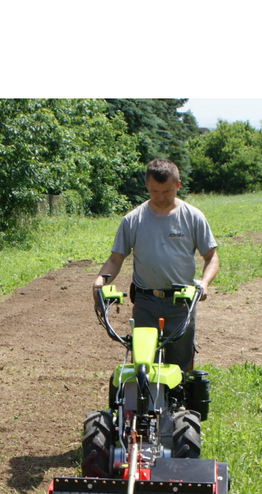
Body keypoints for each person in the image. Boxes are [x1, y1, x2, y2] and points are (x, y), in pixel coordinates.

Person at [92, 158, 219, 371]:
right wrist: (99, 282)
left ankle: (178, 404)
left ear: (177, 185)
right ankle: (142, 404)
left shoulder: (192, 217)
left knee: (180, 366)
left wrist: (204, 284)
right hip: (146, 302)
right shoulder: (133, 220)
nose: (160, 197)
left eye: (167, 191)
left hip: (182, 303)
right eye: (154, 191)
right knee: (143, 365)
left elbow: (211, 257)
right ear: (146, 186)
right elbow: (116, 259)